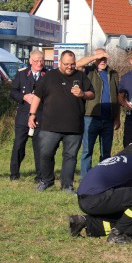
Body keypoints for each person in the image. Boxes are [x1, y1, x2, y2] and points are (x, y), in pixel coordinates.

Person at [69, 142, 132, 244]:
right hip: (97, 198)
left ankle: (83, 221)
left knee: (126, 219)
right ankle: (118, 234)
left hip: (84, 200)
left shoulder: (121, 161)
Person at [28, 50, 95, 193]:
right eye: (66, 64)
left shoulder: (81, 76)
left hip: (74, 126)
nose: (69, 67)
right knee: (45, 154)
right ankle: (46, 181)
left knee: (70, 157)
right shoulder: (49, 76)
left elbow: (92, 93)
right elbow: (37, 96)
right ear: (60, 62)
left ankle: (67, 186)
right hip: (50, 126)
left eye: (72, 64)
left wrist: (83, 94)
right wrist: (32, 114)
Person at [76, 48, 120, 179]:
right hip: (91, 118)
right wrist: (96, 55)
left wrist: (117, 118)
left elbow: (116, 96)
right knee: (87, 150)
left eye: (104, 58)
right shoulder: (88, 71)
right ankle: (86, 179)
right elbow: (78, 64)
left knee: (106, 152)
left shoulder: (113, 74)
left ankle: (102, 178)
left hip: (108, 119)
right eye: (100, 58)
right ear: (94, 59)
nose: (102, 60)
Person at [9, 50, 47, 182]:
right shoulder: (22, 74)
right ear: (30, 61)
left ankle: (40, 176)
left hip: (41, 115)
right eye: (36, 60)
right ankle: (14, 174)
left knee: (40, 147)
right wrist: (23, 97)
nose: (39, 63)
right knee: (19, 145)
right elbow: (13, 92)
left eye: (41, 60)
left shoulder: (48, 75)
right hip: (23, 115)